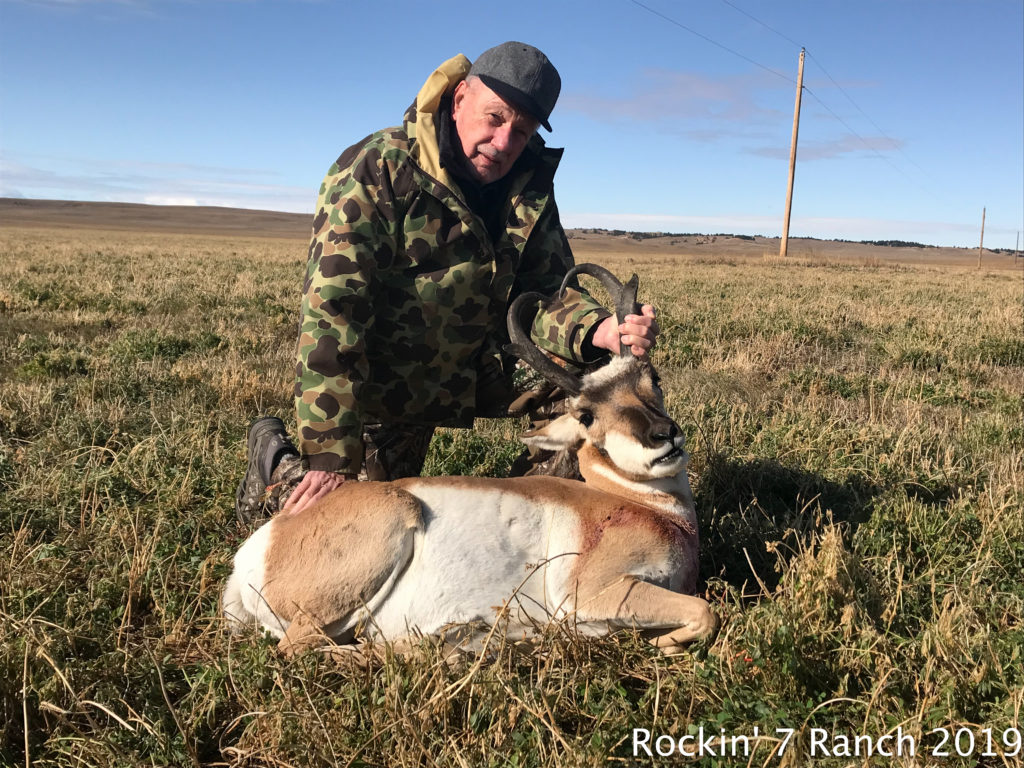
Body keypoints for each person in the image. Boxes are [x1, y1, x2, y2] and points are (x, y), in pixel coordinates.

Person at [235, 41, 659, 525]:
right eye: (494, 118)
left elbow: (545, 293)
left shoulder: (529, 185)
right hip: (391, 386)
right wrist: (331, 457)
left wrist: (598, 329)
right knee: (354, 518)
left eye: (520, 131)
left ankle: (525, 522)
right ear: (459, 100)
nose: (502, 143)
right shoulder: (376, 169)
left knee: (591, 379)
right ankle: (273, 464)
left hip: (483, 365)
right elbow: (333, 316)